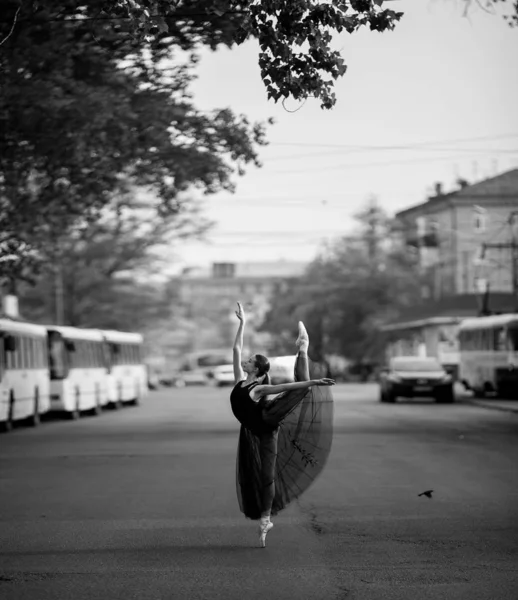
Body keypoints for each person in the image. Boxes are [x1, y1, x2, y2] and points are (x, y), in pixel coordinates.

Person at [230, 301, 335, 548]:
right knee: (252, 475)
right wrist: (243, 323)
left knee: (267, 476)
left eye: (249, 361)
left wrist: (314, 383)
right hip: (250, 430)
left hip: (266, 428)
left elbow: (285, 387)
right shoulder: (239, 381)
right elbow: (236, 349)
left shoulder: (259, 388)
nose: (244, 361)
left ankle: (303, 349)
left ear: (255, 369)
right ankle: (264, 517)